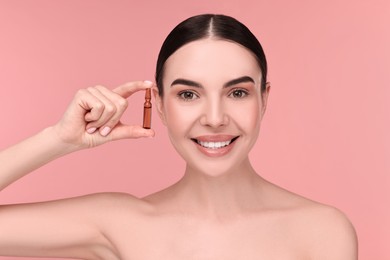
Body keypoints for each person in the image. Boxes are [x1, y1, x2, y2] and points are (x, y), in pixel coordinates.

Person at [0, 14, 357, 259]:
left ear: (264, 99)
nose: (215, 119)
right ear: (158, 103)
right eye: (188, 94)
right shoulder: (119, 223)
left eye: (237, 93)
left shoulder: (322, 230)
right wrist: (57, 139)